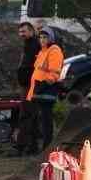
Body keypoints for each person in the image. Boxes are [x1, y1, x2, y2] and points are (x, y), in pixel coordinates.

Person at [26, 27, 65, 156]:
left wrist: (43, 84)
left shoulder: (54, 50)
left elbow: (55, 73)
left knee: (46, 122)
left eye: (45, 37)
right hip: (37, 92)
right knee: (38, 122)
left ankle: (47, 149)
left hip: (45, 92)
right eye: (40, 37)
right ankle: (40, 149)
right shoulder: (43, 51)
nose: (42, 40)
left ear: (51, 38)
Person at [12, 21, 39, 151]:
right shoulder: (28, 45)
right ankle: (28, 144)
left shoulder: (34, 45)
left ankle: (24, 145)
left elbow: (31, 66)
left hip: (30, 85)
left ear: (31, 31)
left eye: (24, 31)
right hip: (26, 84)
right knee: (28, 114)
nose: (21, 34)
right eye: (20, 32)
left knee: (27, 114)